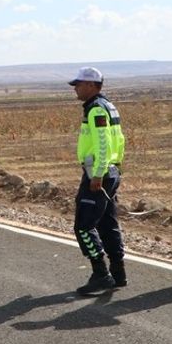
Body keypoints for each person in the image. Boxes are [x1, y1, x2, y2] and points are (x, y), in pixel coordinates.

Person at [68, 67, 127, 296]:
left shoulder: (96, 110)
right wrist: (115, 168)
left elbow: (103, 144)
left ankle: (101, 274)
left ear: (92, 85)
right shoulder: (108, 106)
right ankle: (118, 273)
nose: (76, 88)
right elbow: (120, 141)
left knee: (83, 226)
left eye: (79, 84)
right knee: (107, 224)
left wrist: (99, 174)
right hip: (109, 171)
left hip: (98, 173)